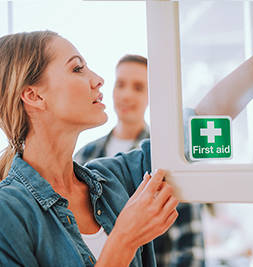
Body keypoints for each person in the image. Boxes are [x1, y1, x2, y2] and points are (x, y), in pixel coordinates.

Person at [0, 8, 253, 266]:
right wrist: (124, 240)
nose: (98, 79)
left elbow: (200, 120)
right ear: (34, 96)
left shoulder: (114, 180)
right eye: (77, 69)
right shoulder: (0, 214)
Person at [74, 55, 205, 267]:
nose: (126, 95)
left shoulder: (166, 155)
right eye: (121, 85)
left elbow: (191, 247)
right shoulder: (83, 157)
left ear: (151, 96)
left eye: (138, 87)